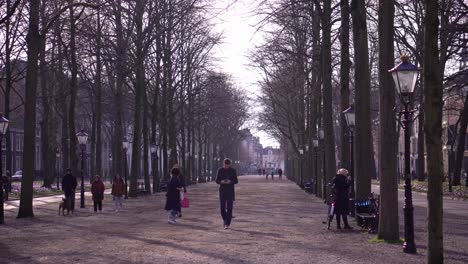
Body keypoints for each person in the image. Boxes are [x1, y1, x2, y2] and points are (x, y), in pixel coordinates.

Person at [215, 158, 238, 229]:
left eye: (227, 165)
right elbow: (216, 180)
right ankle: (225, 219)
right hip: (222, 190)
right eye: (225, 165)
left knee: (229, 208)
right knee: (222, 208)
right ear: (223, 164)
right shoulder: (220, 170)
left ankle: (227, 223)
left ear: (229, 165)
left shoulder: (233, 171)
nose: (226, 166)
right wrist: (221, 181)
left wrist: (230, 181)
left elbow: (236, 181)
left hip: (230, 191)